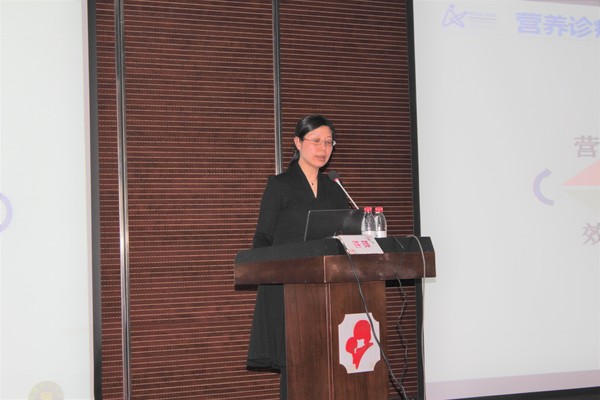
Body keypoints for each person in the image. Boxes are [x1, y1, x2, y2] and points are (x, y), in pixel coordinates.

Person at [246, 114, 350, 399]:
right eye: (315, 140)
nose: (323, 148)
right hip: (286, 289)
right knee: (295, 367)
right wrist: (265, 274)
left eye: (328, 142)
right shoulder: (280, 185)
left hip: (325, 290)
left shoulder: (335, 189)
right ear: (297, 142)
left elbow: (342, 238)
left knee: (327, 364)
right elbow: (262, 237)